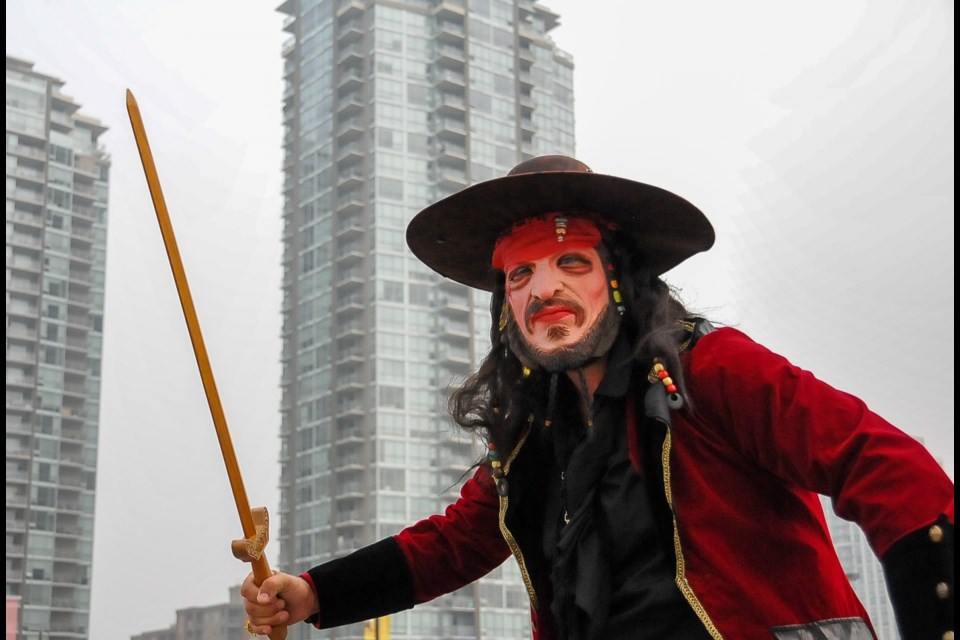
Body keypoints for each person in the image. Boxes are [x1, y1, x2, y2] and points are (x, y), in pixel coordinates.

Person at [242, 156, 954, 639]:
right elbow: (462, 539)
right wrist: (310, 594)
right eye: (518, 277)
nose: (542, 289)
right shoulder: (529, 431)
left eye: (569, 262)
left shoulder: (711, 369)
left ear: (618, 280)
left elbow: (890, 470)